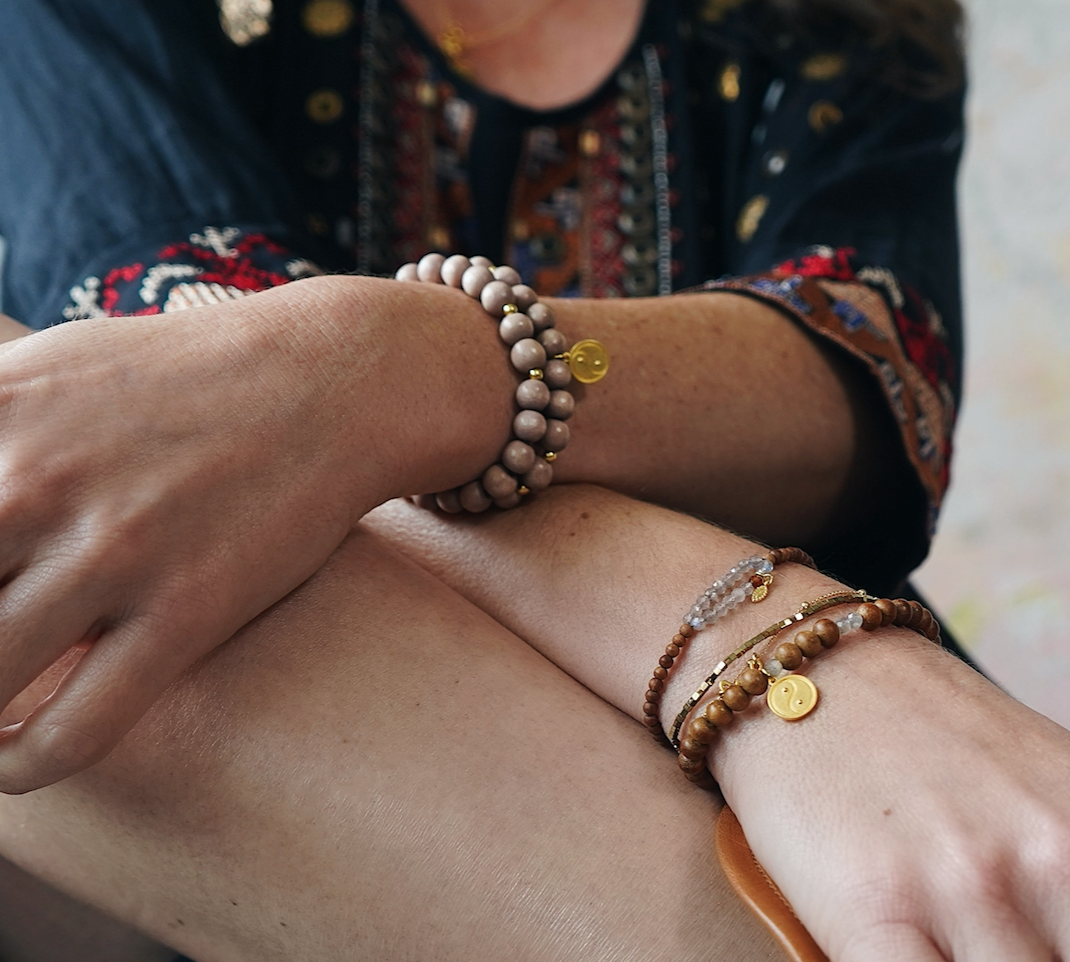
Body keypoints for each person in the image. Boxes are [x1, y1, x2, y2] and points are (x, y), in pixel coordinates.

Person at [0, 0, 1067, 960]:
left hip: (844, 726)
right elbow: (190, 382)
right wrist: (764, 644)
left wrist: (416, 367)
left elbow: (867, 369)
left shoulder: (853, 21)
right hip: (787, 676)